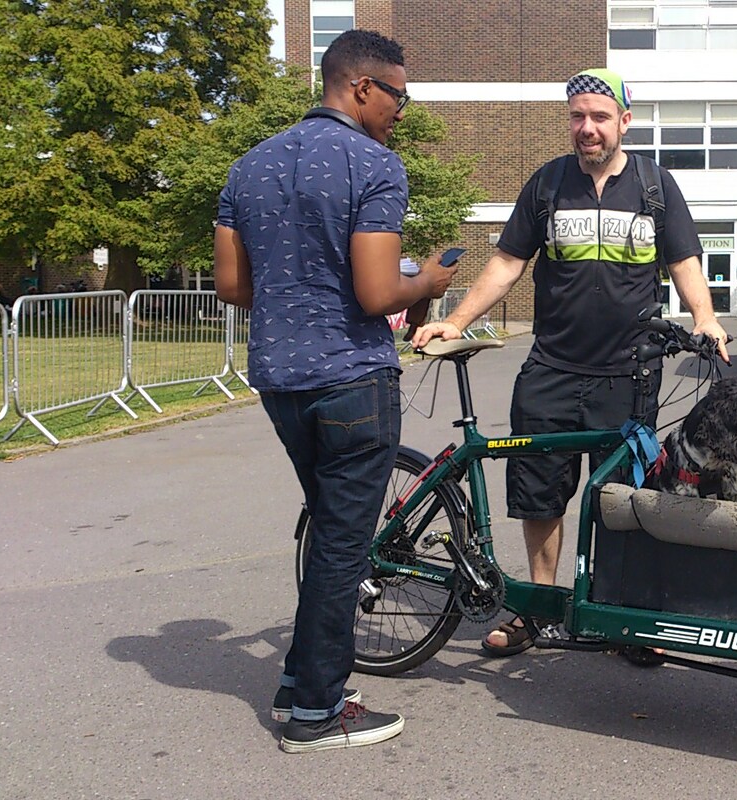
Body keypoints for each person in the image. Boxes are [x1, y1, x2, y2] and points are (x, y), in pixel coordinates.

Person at [411, 68, 729, 657]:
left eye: (600, 117)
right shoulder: (548, 183)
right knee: (540, 496)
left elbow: (684, 260)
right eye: (578, 116)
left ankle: (623, 617)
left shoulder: (655, 186)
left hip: (630, 374)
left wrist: (705, 317)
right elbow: (508, 262)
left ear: (624, 122)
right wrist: (456, 320)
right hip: (552, 369)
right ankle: (537, 608)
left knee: (624, 501)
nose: (588, 128)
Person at [214, 29, 454, 753]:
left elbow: (233, 286)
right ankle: (317, 713)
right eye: (398, 97)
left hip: (281, 380)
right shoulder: (373, 165)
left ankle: (299, 679)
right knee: (344, 548)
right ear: (360, 87)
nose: (401, 112)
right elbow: (378, 292)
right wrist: (428, 281)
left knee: (330, 533)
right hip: (351, 377)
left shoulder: (248, 166)